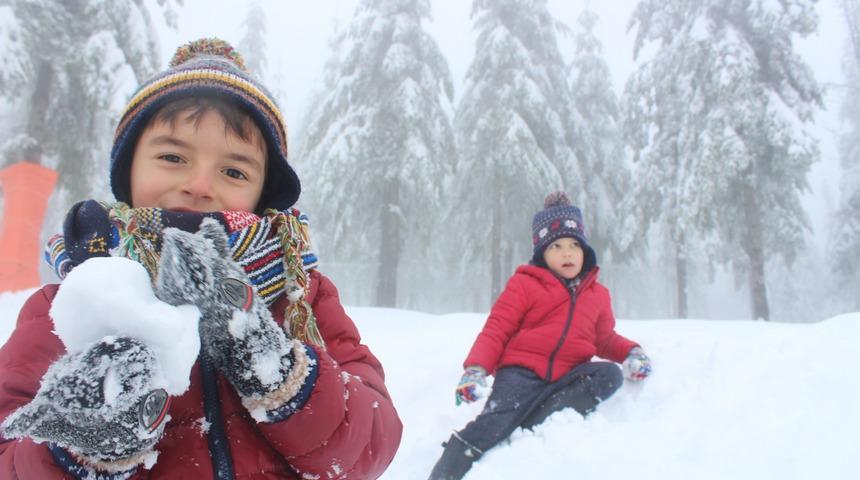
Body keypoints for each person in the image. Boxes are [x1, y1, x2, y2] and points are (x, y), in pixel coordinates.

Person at [0, 38, 402, 479]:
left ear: (262, 193)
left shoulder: (298, 294)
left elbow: (371, 443)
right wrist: (84, 449)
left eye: (234, 170)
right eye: (173, 157)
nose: (199, 184)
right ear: (128, 171)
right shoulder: (74, 302)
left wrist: (278, 370)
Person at [428, 191, 652, 480]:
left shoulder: (598, 295)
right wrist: (476, 369)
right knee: (493, 423)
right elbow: (497, 329)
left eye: (574, 245)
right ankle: (446, 471)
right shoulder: (525, 284)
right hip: (521, 375)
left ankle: (536, 422)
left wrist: (632, 352)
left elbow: (604, 339)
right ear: (542, 253)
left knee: (610, 375)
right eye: (556, 246)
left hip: (567, 379)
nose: (567, 253)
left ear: (585, 250)